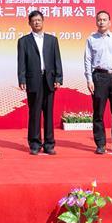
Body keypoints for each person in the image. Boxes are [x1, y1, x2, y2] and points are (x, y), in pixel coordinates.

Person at [83, 10, 112, 155]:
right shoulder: (91, 39)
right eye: (99, 20)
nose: (102, 22)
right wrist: (89, 79)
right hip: (99, 77)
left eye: (104, 20)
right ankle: (101, 144)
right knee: (98, 113)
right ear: (96, 22)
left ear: (109, 22)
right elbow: (87, 60)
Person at [18, 10, 63, 155]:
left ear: (43, 22)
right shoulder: (24, 41)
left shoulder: (52, 40)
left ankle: (49, 144)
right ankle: (35, 143)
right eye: (34, 20)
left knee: (49, 113)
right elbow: (21, 62)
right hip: (33, 80)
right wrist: (22, 79)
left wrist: (58, 78)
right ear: (29, 23)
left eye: (39, 20)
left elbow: (57, 60)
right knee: (35, 112)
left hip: (49, 80)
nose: (36, 22)